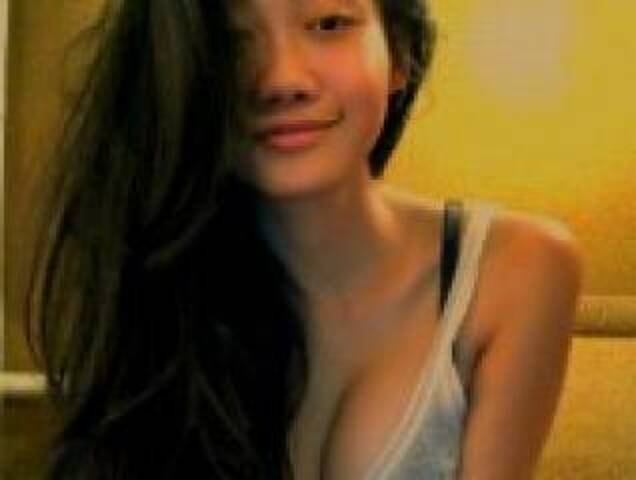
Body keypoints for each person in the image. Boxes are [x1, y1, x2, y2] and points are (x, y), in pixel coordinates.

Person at [25, 0, 583, 479]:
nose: (281, 80)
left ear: (400, 54)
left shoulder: (516, 271)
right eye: (228, 40)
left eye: (328, 24)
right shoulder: (155, 294)